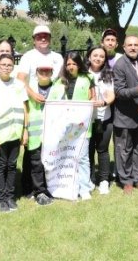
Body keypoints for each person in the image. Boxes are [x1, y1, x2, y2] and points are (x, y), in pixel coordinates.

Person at [0, 53, 29, 212]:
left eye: (9, 65)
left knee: (11, 165)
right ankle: (1, 198)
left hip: (15, 131)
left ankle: (10, 196)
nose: (6, 68)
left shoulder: (19, 85)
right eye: (3, 65)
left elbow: (25, 109)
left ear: (13, 68)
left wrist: (25, 131)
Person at [47, 51, 96, 200]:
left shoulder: (88, 78)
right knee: (65, 155)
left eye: (74, 63)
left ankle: (85, 188)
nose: (71, 66)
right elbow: (52, 101)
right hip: (64, 125)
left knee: (82, 157)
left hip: (82, 125)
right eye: (68, 64)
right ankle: (64, 185)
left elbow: (92, 97)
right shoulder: (59, 81)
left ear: (79, 64)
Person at [113, 34, 138, 194]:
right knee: (124, 150)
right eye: (130, 45)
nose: (133, 47)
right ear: (124, 47)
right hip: (125, 116)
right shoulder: (120, 64)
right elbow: (119, 91)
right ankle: (126, 181)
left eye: (136, 45)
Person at [23, 59, 58, 206]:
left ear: (52, 73)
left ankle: (50, 188)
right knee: (36, 162)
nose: (44, 73)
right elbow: (24, 108)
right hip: (34, 131)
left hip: (53, 132)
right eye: (41, 71)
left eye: (47, 71)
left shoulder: (58, 88)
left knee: (51, 161)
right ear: (36, 73)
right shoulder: (29, 88)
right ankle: (39, 191)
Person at [87, 46, 116, 195]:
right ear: (89, 56)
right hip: (87, 120)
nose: (98, 58)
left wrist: (104, 102)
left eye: (101, 56)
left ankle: (104, 180)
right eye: (95, 55)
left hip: (105, 118)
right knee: (88, 150)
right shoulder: (83, 74)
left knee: (103, 150)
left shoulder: (108, 74)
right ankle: (90, 179)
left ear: (105, 59)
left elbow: (111, 95)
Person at [16, 25, 63, 104]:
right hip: (33, 103)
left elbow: (63, 79)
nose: (43, 39)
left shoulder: (58, 57)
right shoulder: (27, 56)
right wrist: (33, 94)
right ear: (34, 40)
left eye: (46, 36)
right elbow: (20, 80)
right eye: (39, 37)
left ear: (50, 39)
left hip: (54, 102)